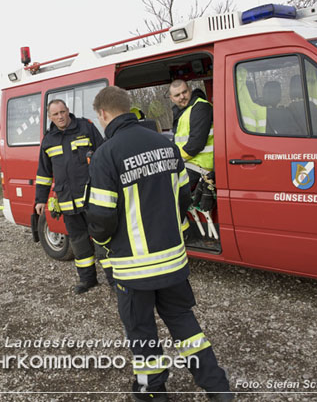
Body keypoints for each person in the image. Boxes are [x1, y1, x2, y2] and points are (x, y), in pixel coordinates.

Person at [87, 86, 232, 401]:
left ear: (102, 114)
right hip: (173, 261)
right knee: (186, 327)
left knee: (142, 333)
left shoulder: (106, 154)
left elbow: (101, 217)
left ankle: (153, 391)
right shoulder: (167, 147)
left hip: (132, 268)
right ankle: (217, 387)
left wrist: (102, 246)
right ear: (129, 108)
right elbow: (182, 199)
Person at [35, 99, 110, 294]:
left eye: (62, 112)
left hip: (92, 199)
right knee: (78, 242)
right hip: (67, 202)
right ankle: (88, 280)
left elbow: (104, 155)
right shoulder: (48, 140)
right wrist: (40, 200)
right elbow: (44, 173)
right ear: (50, 117)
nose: (60, 116)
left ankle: (114, 279)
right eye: (55, 114)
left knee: (104, 239)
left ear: (68, 111)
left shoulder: (86, 127)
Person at [169, 80, 214, 188]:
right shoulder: (183, 111)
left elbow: (196, 144)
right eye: (177, 95)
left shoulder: (200, 107)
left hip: (200, 167)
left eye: (184, 92)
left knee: (168, 191)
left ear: (190, 90)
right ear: (171, 98)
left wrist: (174, 160)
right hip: (189, 164)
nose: (182, 97)